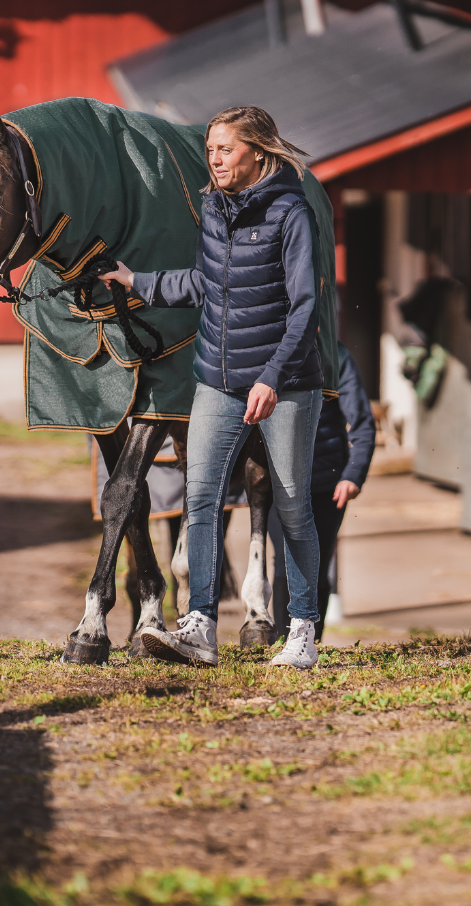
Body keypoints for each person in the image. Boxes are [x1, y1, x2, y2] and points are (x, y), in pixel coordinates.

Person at [100, 106, 324, 669]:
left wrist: (272, 377)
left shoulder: (291, 212)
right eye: (210, 149)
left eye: (226, 149)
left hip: (286, 384)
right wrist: (136, 282)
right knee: (200, 498)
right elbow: (207, 283)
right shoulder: (214, 207)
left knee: (292, 506)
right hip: (216, 383)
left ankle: (302, 629)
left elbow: (304, 306)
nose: (214, 159)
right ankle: (199, 624)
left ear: (258, 150)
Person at [270, 342, 375, 640]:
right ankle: (283, 639)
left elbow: (362, 422)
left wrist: (353, 474)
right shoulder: (266, 350)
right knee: (284, 558)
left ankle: (312, 641)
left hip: (327, 483)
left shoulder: (337, 356)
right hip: (279, 480)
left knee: (318, 560)